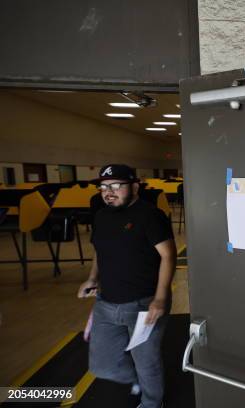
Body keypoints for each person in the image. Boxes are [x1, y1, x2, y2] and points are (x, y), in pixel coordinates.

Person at [78, 164, 176, 408]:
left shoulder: (150, 216)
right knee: (102, 366)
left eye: (115, 186)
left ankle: (152, 402)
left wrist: (161, 297)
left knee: (147, 361)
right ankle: (141, 381)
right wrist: (93, 278)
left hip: (144, 303)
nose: (107, 192)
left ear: (134, 186)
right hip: (106, 303)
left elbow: (168, 255)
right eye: (103, 187)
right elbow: (99, 251)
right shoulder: (101, 215)